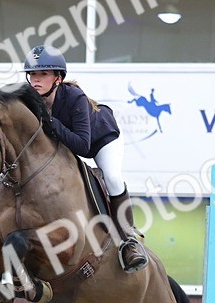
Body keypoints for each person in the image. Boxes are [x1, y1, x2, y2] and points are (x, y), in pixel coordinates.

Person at [23, 44, 148, 272]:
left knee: (111, 176)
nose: (36, 80)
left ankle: (129, 239)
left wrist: (50, 122)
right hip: (64, 146)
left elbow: (83, 145)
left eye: (43, 74)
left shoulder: (74, 98)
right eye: (32, 74)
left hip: (100, 140)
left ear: (58, 78)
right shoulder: (28, 99)